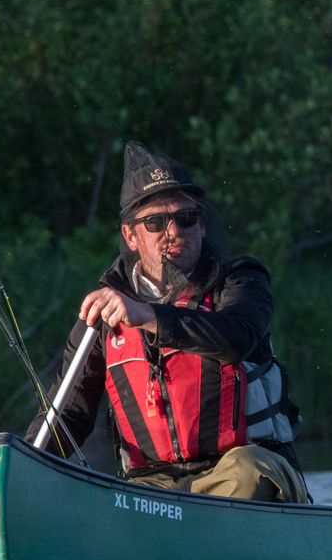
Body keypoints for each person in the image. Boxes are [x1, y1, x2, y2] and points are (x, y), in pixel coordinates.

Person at [28, 141, 310, 503]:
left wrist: (148, 315)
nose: (173, 230)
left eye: (186, 218)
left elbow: (236, 338)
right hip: (152, 484)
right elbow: (70, 414)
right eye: (155, 222)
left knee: (247, 470)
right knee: (109, 498)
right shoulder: (102, 316)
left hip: (240, 467)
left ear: (202, 225)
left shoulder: (240, 280)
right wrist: (22, 468)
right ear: (131, 236)